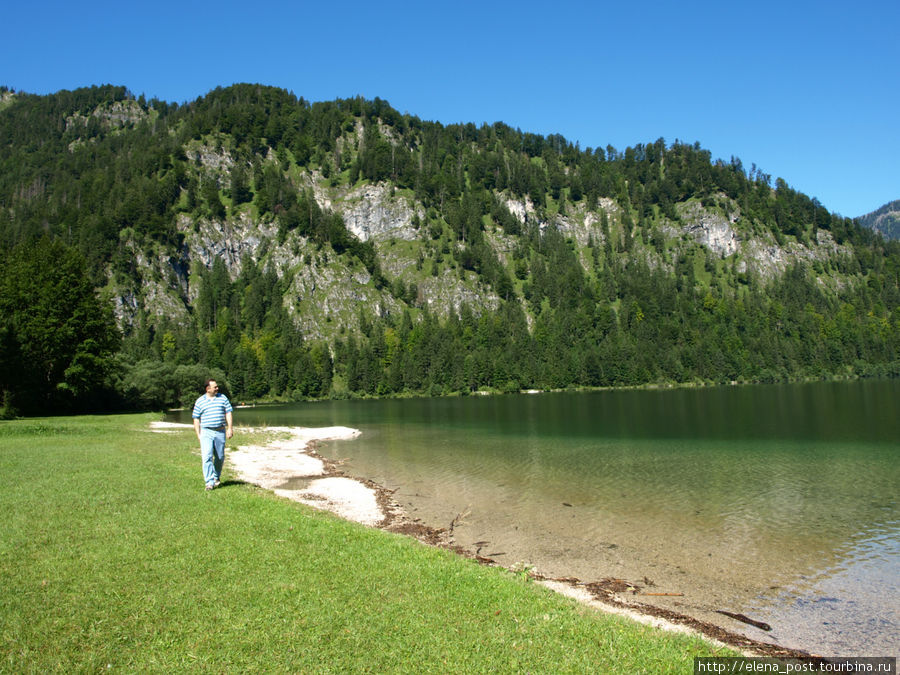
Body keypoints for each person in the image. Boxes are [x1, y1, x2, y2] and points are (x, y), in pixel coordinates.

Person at [192, 379, 234, 491]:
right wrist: (198, 434)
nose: (217, 388)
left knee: (220, 457)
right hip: (206, 432)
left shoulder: (223, 398)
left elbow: (228, 412)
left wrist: (230, 428)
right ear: (208, 389)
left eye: (217, 386)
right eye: (215, 387)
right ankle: (209, 483)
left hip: (220, 431)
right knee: (207, 457)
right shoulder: (200, 401)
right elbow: (196, 418)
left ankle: (216, 477)